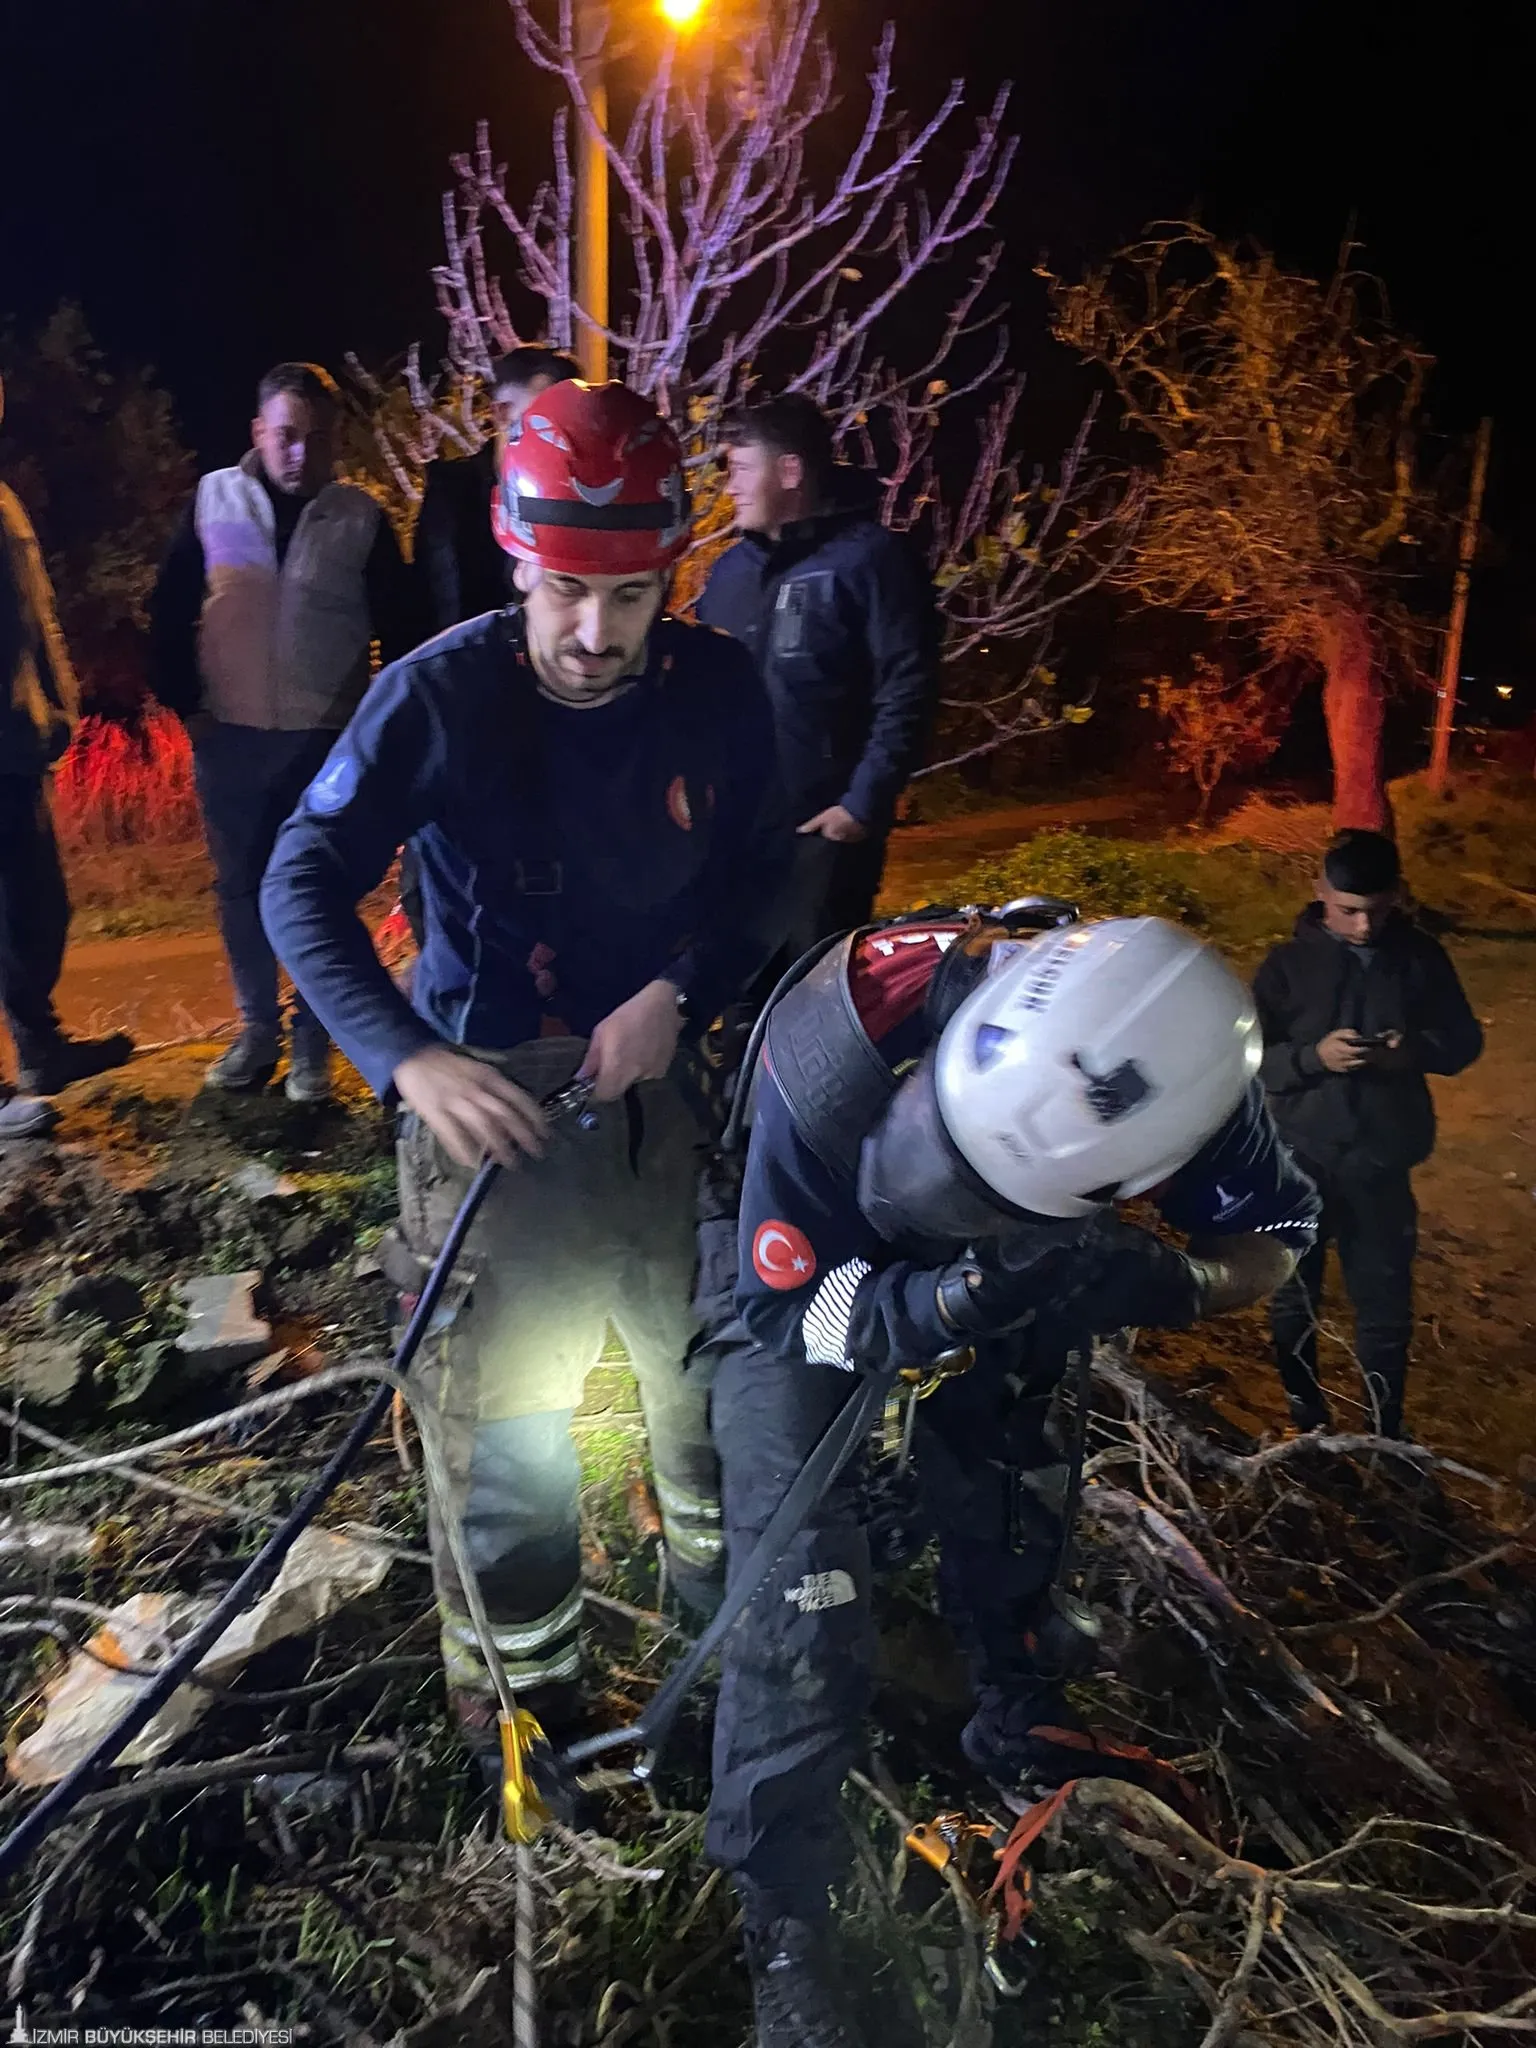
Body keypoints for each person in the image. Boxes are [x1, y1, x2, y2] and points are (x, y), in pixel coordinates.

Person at [261, 379, 789, 1757]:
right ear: (513, 557)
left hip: (666, 1105)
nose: (595, 633)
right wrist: (406, 1059)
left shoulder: (719, 688)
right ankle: (527, 1728)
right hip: (491, 1112)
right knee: (511, 1443)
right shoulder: (434, 696)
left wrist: (682, 992)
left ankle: (718, 1700)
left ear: (669, 571)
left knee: (705, 1411)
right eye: (565, 594)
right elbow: (300, 883)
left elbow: (773, 885)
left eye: (627, 598)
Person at [699, 911, 1319, 2045]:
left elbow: (1278, 1230)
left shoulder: (1187, 1081)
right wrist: (928, 1304)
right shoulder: (839, 1039)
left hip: (1039, 1247)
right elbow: (782, 1311)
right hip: (802, 1231)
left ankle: (1017, 1704)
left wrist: (1173, 1280)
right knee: (797, 1556)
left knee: (1017, 1454)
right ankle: (782, 1903)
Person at [148, 362, 420, 1104]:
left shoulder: (362, 517)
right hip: (228, 736)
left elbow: (403, 636)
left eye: (320, 438)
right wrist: (187, 707)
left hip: (323, 744)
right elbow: (171, 610)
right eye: (288, 436)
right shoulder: (212, 501)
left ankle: (311, 1045)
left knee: (314, 892)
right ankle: (257, 1033)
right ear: (258, 433)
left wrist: (374, 732)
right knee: (239, 890)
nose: (302, 453)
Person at [1255, 829, 1483, 1439]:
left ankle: (1386, 1431)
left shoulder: (1420, 958)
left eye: (1378, 912)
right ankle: (1306, 1417)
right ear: (1320, 890)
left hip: (1381, 1162)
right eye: (1348, 910)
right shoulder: (1285, 966)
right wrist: (1312, 1059)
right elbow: (1247, 1061)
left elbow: (1464, 1042)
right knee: (1291, 1298)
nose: (1363, 927)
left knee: (1383, 1309)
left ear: (1397, 897)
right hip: (1296, 1162)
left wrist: (1409, 1052)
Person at [697, 394, 939, 959]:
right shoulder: (729, 573)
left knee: (806, 996)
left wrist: (860, 806)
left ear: (790, 471)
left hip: (821, 837)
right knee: (726, 994)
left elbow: (907, 688)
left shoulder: (870, 561)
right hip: (731, 835)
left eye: (741, 468)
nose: (728, 485)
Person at [1, 371, 133, 1142]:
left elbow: (31, 619)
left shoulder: (4, 499)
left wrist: (60, 702)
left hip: (19, 740)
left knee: (37, 909)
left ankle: (39, 1049)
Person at [414, 344, 580, 635]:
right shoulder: (453, 497)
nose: (556, 435)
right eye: (543, 419)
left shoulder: (581, 499)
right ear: (502, 413)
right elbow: (435, 609)